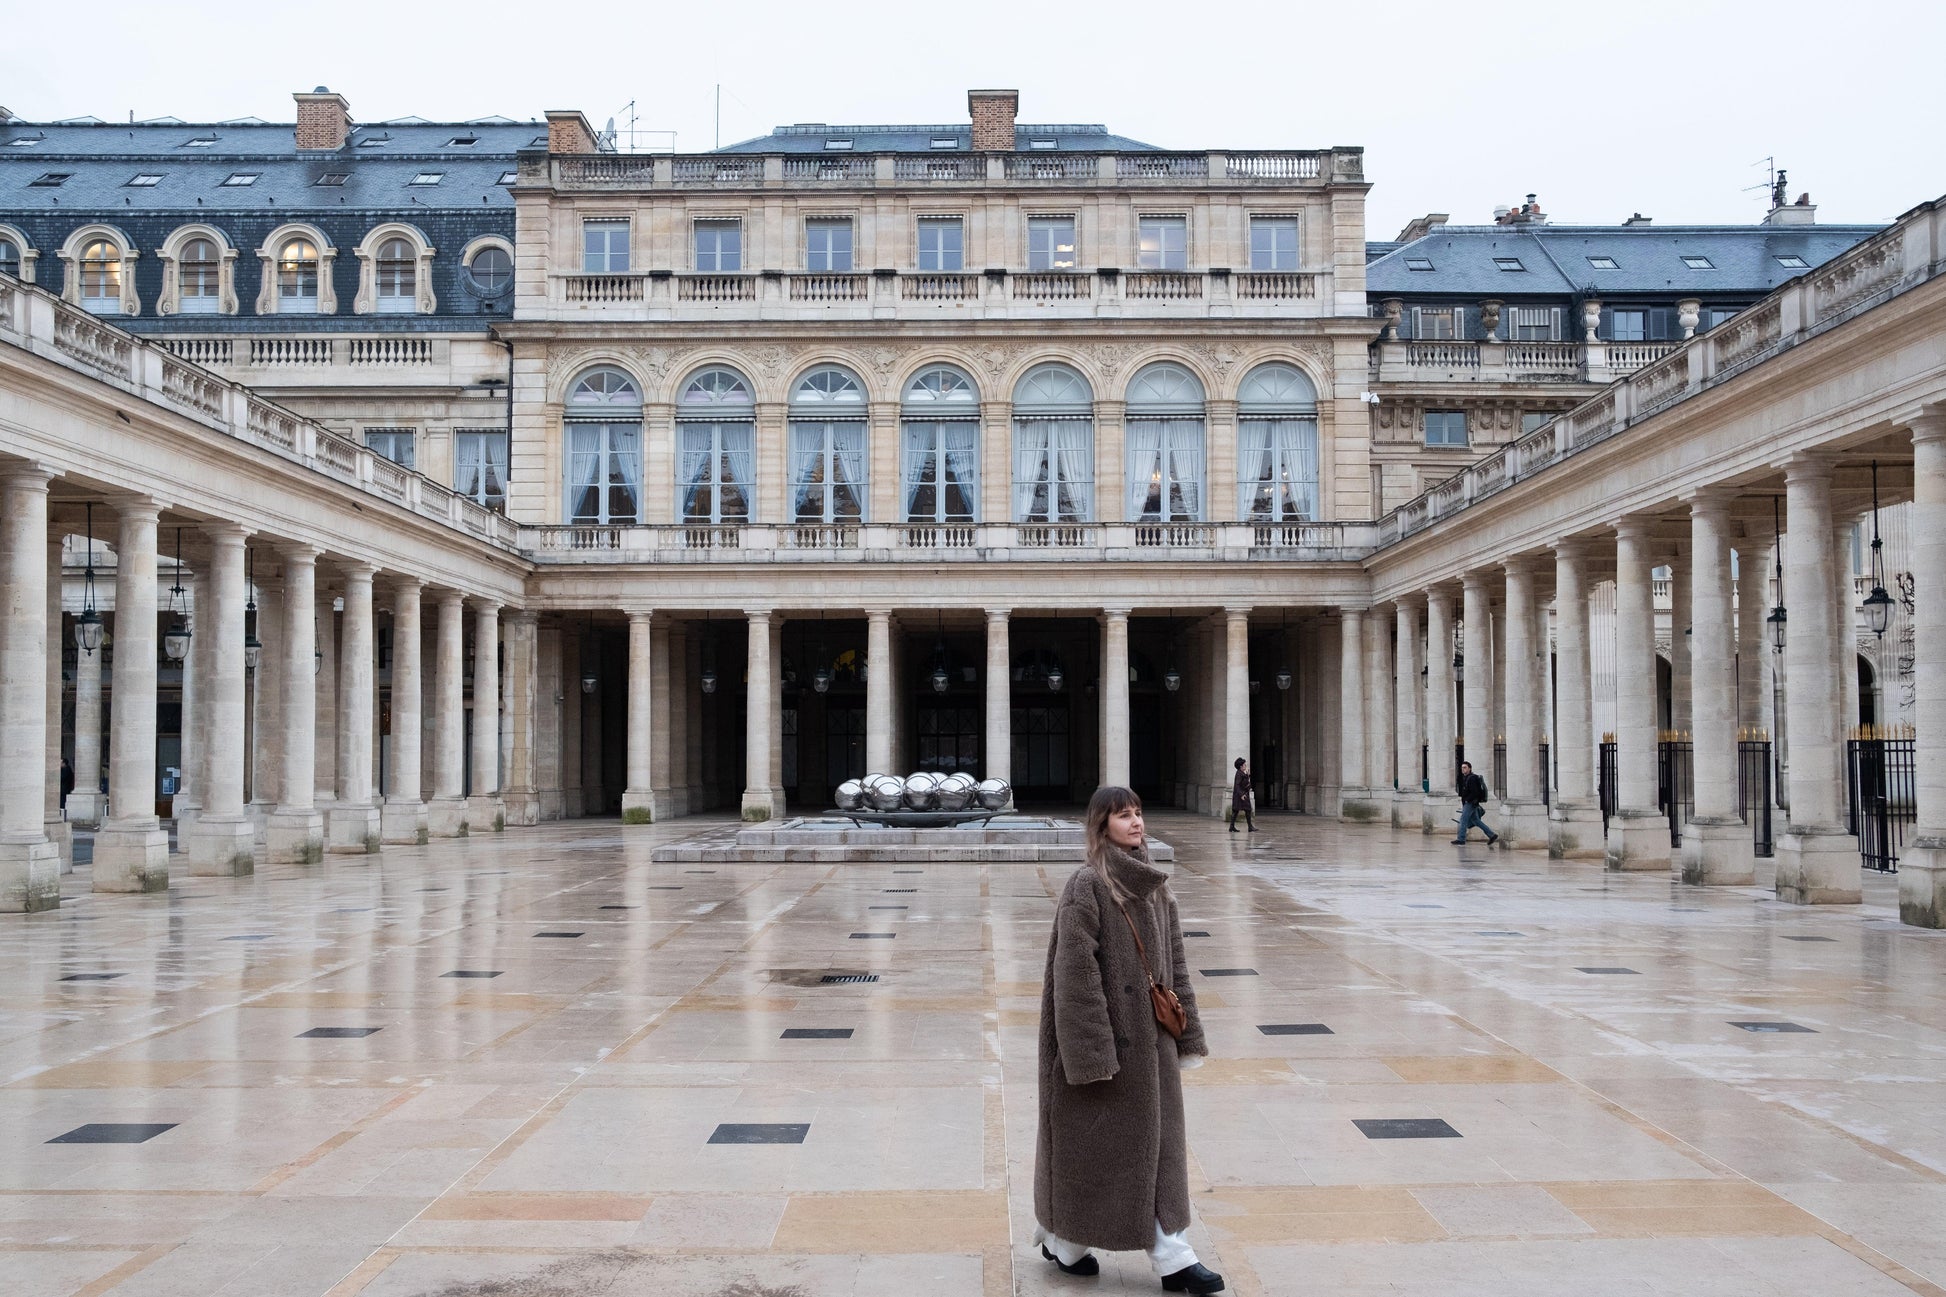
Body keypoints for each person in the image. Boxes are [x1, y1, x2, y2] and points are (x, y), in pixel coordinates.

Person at [1034, 786, 1225, 1295]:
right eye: (1124, 816)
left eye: (1138, 813)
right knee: (1100, 1151)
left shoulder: (1157, 886)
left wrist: (1188, 1039)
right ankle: (1093, 1245)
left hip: (1152, 1046)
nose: (1136, 822)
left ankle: (1149, 1249)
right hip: (1109, 1050)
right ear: (1102, 826)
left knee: (1153, 1150)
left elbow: (1175, 966)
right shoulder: (1087, 885)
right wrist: (1093, 1053)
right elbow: (1073, 977)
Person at [1452, 760, 1499, 846]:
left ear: (1469, 768)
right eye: (1462, 768)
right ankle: (1492, 835)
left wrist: (1467, 800)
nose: (1463, 769)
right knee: (1476, 821)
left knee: (1463, 820)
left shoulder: (1472, 778)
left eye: (1465, 768)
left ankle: (1461, 839)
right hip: (1471, 803)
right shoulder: (1467, 778)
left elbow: (1475, 792)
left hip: (1470, 803)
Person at [1226, 757, 1255, 833]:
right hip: (1241, 795)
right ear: (1240, 766)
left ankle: (1233, 827)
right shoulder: (1239, 774)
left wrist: (1248, 776)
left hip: (1242, 795)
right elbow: (1237, 785)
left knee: (1244, 810)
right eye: (1244, 765)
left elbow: (1244, 782)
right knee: (1241, 810)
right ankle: (1248, 827)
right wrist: (1241, 794)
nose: (1245, 766)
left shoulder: (1241, 773)